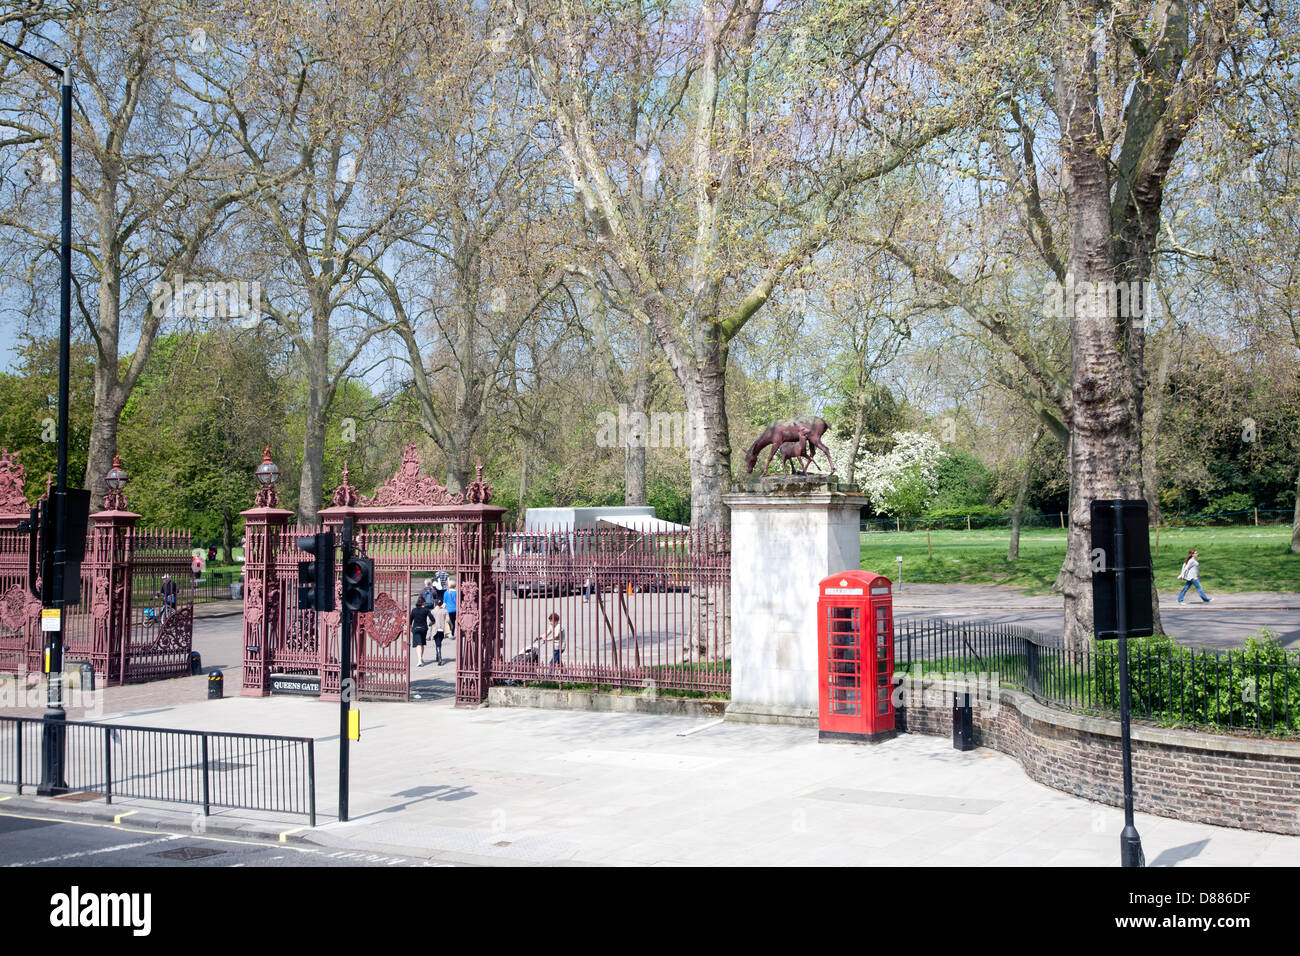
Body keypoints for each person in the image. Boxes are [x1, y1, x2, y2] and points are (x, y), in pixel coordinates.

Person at [410, 595, 432, 666]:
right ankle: (421, 658)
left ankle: (419, 660)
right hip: (424, 629)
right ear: (423, 603)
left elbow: (410, 621)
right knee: (422, 644)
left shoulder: (414, 610)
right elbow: (433, 619)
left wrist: (411, 628)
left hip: (416, 628)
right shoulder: (426, 610)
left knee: (418, 644)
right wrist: (431, 624)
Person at [431, 599, 450, 666]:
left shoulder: (433, 611)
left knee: (437, 642)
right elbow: (448, 620)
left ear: (435, 604)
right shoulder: (445, 611)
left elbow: (430, 621)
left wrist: (431, 624)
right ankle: (437, 656)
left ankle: (439, 658)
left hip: (435, 628)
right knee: (439, 642)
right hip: (442, 629)